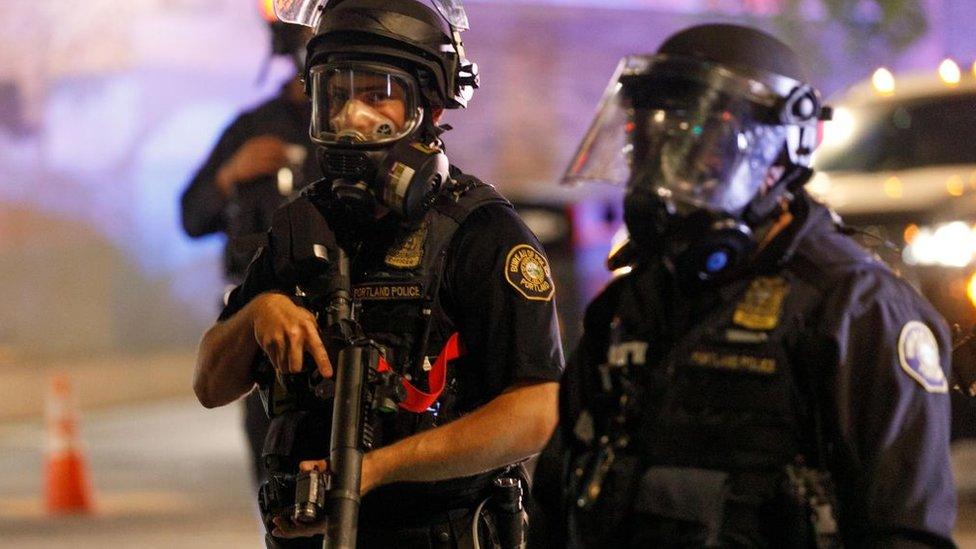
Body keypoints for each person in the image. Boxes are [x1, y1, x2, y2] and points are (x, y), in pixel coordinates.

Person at [542, 24, 957, 547]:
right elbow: (557, 503)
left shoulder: (857, 309)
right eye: (656, 138)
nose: (670, 169)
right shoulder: (633, 303)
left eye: (706, 140)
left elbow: (907, 532)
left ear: (784, 150)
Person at [192, 0, 563, 547]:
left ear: (431, 106)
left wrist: (377, 469)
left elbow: (537, 412)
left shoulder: (482, 233)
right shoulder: (301, 227)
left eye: (376, 94)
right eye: (336, 95)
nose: (350, 117)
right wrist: (256, 314)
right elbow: (210, 385)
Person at [180, 4, 320, 488]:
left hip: (346, 318)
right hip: (264, 328)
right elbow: (191, 216)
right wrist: (229, 175)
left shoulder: (357, 133)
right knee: (277, 481)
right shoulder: (252, 127)